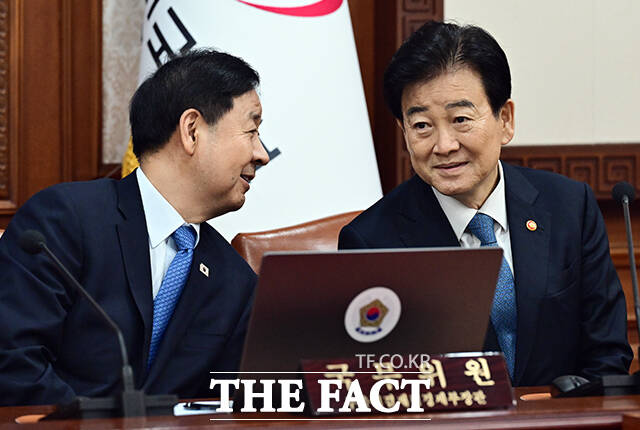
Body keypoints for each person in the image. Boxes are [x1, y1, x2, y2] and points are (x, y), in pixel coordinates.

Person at [338, 21, 632, 386]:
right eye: (422, 125)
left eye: (460, 119)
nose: (444, 145)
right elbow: (376, 381)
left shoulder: (570, 208)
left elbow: (607, 358)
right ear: (404, 132)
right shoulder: (371, 241)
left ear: (505, 119)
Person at [0, 49, 269, 405]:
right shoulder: (64, 221)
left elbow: (229, 403)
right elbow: (14, 365)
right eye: (251, 131)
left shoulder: (235, 280)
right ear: (192, 131)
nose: (262, 154)